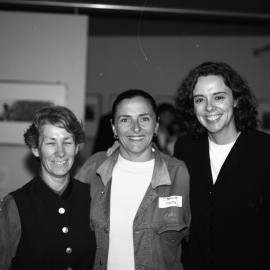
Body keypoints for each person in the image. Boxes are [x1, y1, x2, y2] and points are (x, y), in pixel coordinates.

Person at [75, 89, 191, 270]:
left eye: (144, 119)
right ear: (114, 127)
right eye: (125, 119)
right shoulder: (93, 169)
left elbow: (201, 244)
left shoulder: (179, 174)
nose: (135, 128)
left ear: (156, 125)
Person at [174, 61, 270, 270]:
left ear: (236, 100)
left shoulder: (264, 150)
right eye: (200, 99)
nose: (209, 107)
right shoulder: (186, 148)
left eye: (218, 97)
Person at [0, 105, 96, 270]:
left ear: (76, 148)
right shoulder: (16, 204)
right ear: (36, 149)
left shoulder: (93, 197)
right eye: (51, 143)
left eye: (67, 142)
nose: (60, 152)